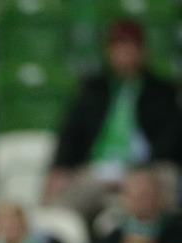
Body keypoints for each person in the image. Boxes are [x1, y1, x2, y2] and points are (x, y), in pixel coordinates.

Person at [44, 19, 182, 220]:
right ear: (108, 51)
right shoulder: (92, 91)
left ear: (142, 50)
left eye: (130, 46)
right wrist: (61, 166)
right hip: (101, 169)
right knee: (57, 203)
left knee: (167, 179)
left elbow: (172, 139)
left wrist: (139, 172)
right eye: (118, 47)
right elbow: (71, 134)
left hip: (149, 167)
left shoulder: (162, 92)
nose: (124, 53)